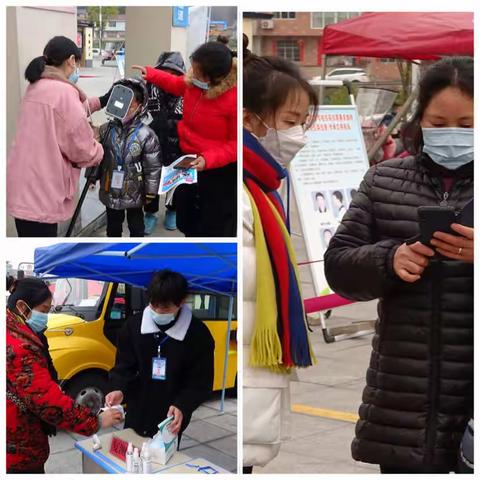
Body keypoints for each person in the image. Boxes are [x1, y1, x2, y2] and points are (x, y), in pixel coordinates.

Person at [324, 56, 473, 474]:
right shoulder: (383, 180)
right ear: (419, 118)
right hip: (402, 402)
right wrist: (390, 259)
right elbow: (338, 266)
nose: (453, 135)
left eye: (466, 124)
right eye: (439, 122)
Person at [242, 36, 318, 473]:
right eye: (291, 120)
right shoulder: (247, 191)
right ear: (251, 121)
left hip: (257, 385)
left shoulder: (265, 185)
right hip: (250, 381)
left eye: (303, 122)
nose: (298, 134)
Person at [7, 277, 123, 473]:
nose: (46, 317)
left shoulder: (14, 329)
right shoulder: (20, 347)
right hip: (18, 450)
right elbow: (48, 401)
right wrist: (97, 421)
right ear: (21, 306)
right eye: (43, 311)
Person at [7, 36, 112, 237]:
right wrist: (99, 147)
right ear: (71, 60)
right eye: (77, 63)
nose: (77, 69)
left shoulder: (36, 86)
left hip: (23, 187)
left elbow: (62, 115)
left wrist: (103, 100)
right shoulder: (63, 93)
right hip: (42, 192)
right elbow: (83, 150)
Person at [132, 41, 237, 237]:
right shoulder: (193, 84)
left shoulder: (234, 98)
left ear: (214, 77)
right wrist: (151, 73)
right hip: (186, 159)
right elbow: (174, 83)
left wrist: (208, 159)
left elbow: (235, 144)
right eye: (192, 67)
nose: (191, 74)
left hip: (216, 169)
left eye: (197, 71)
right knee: (187, 212)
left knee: (211, 221)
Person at [105, 270, 214, 440]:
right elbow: (123, 367)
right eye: (153, 305)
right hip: (137, 408)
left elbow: (200, 383)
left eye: (165, 307)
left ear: (182, 302)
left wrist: (183, 406)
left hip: (171, 414)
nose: (158, 311)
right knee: (131, 455)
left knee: (163, 459)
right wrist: (118, 388)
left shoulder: (198, 334)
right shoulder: (133, 327)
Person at [98, 78, 161, 237]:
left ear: (140, 105)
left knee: (136, 227)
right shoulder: (106, 130)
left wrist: (151, 192)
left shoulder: (146, 134)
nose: (125, 108)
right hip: (110, 188)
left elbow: (153, 167)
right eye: (121, 102)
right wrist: (92, 177)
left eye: (130, 104)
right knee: (112, 227)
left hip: (135, 192)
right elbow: (98, 156)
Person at [144, 51, 186, 234]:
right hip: (154, 141)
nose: (169, 76)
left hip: (181, 144)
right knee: (151, 179)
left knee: (178, 180)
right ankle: (150, 213)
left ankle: (173, 210)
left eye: (174, 73)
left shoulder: (188, 91)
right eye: (165, 71)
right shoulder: (149, 87)